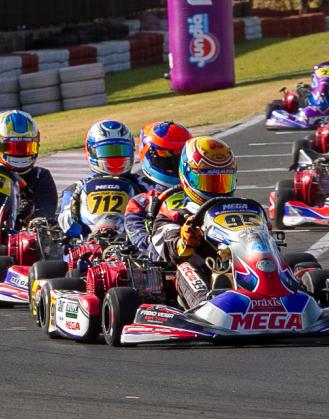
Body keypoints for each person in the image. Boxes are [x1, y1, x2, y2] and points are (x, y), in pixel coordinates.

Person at [147, 137, 249, 306]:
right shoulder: (174, 217)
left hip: (241, 271)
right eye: (208, 182)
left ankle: (281, 292)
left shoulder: (241, 212)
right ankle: (206, 305)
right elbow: (169, 248)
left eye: (223, 182)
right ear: (188, 178)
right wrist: (184, 242)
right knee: (185, 266)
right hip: (194, 279)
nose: (217, 190)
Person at [57, 119, 143, 239]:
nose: (116, 157)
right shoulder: (77, 188)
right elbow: (65, 223)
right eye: (108, 151)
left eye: (121, 150)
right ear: (91, 152)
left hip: (133, 246)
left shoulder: (142, 184)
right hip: (89, 247)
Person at [122, 121, 193, 256]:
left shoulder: (200, 194)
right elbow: (139, 238)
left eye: (181, 154)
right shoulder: (141, 202)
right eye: (166, 155)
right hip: (165, 262)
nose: (176, 161)